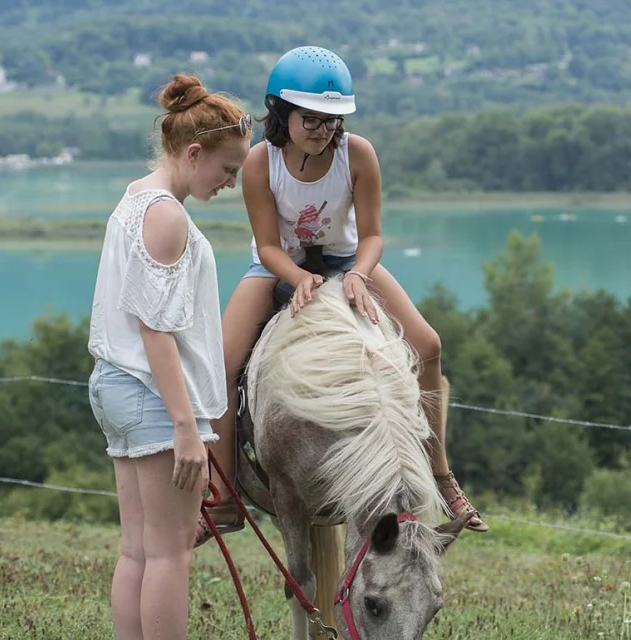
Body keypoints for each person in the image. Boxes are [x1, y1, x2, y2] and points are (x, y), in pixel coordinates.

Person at [197, 46, 487, 546]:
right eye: (311, 119)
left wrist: (358, 272)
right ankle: (224, 499)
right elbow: (267, 244)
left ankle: (441, 475)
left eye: (332, 121)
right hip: (277, 263)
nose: (323, 130)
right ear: (281, 111)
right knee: (220, 361)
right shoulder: (258, 163)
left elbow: (372, 233)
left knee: (429, 345)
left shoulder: (357, 153)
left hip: (348, 260)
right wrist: (297, 275)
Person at [87, 73, 251, 639]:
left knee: (138, 548)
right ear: (194, 152)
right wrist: (188, 428)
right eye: (227, 170)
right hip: (151, 393)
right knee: (169, 553)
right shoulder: (168, 216)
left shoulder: (137, 196)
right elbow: (155, 331)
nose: (231, 183)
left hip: (117, 386)